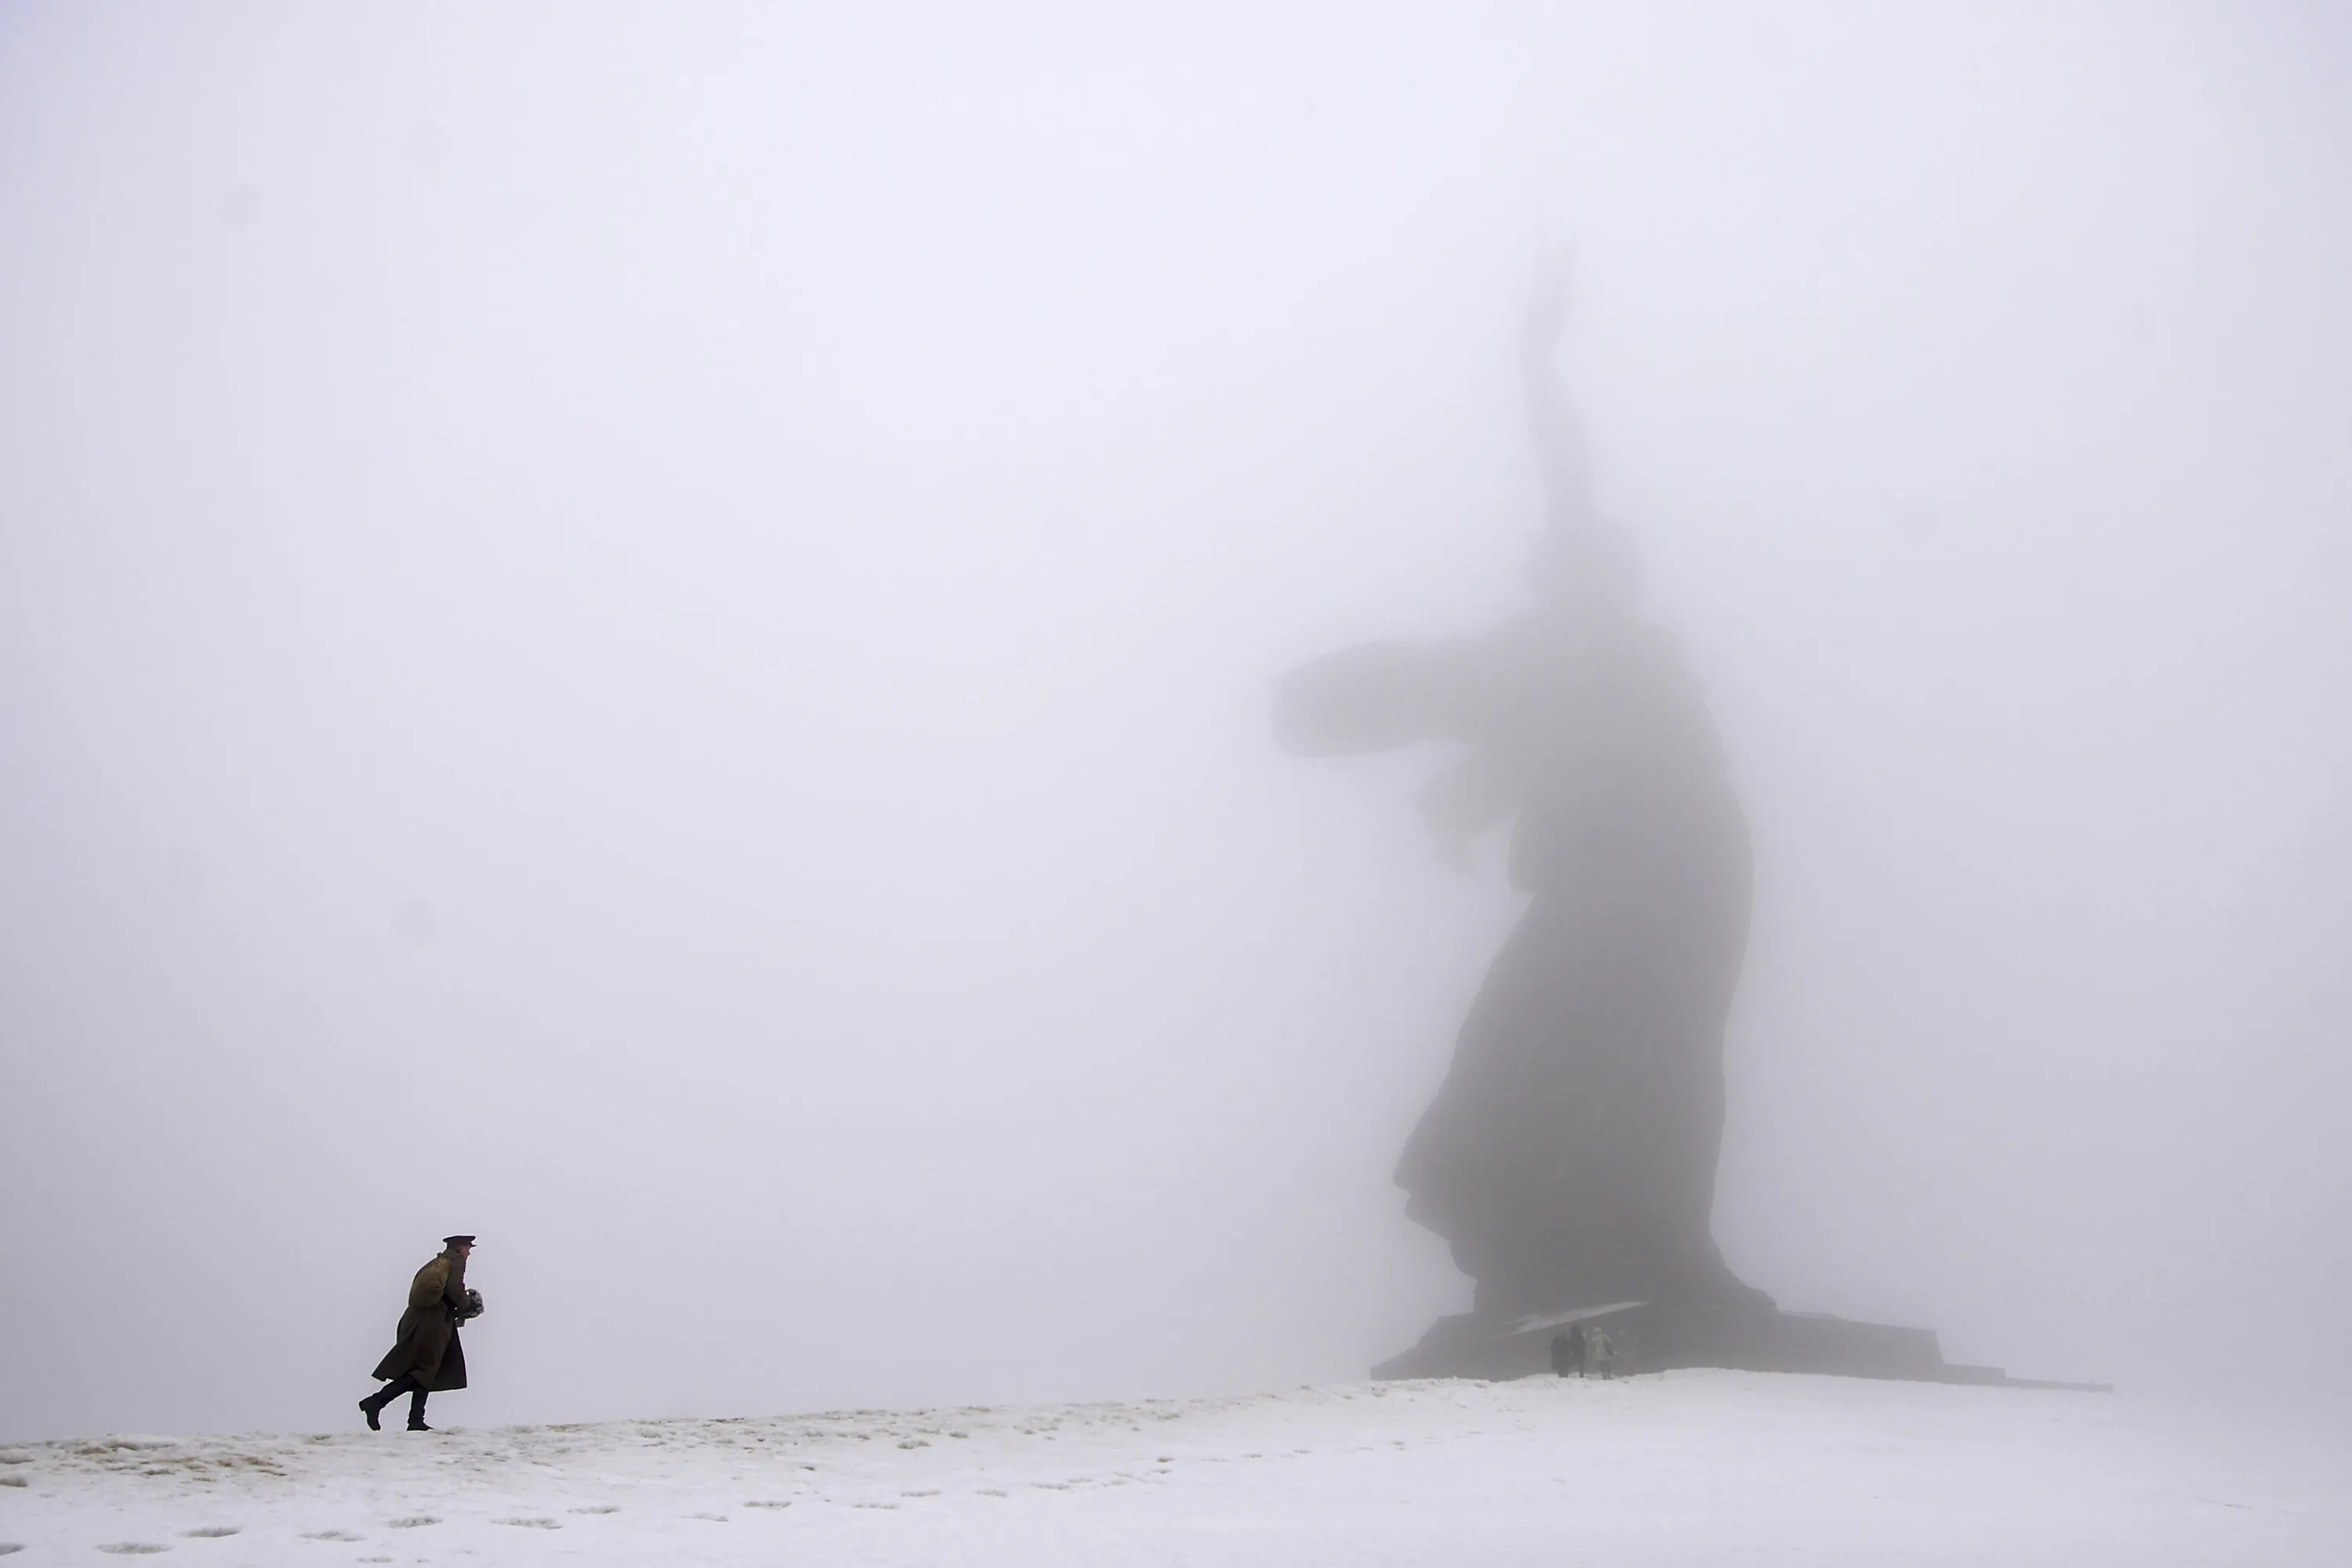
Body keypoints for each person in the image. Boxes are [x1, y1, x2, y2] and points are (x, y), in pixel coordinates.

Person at [1274, 255, 1771, 1326]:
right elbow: (1470, 746)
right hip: (1622, 871)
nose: (1560, 568)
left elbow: (1565, 473)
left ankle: (1659, 1251)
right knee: (1534, 1043)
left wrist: (1535, 358)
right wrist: (1446, 803)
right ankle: (1538, 1255)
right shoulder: (1520, 671)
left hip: (1676, 864)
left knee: (1652, 1050)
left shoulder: (1578, 638)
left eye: (1574, 565)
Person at [359, 1234, 482, 1432]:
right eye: (468, 1248)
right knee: (424, 1370)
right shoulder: (456, 1261)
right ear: (460, 1248)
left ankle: (415, 1420)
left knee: (427, 1369)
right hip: (433, 1321)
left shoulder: (438, 1261)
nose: (469, 1252)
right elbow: (454, 1290)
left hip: (421, 1318)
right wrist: (468, 1305)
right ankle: (376, 1402)